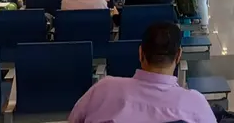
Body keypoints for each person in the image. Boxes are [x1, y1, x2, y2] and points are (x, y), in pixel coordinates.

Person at [68, 22, 216, 123]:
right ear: (178, 56)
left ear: (140, 53)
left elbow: (73, 119)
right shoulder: (194, 105)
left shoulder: (103, 89)